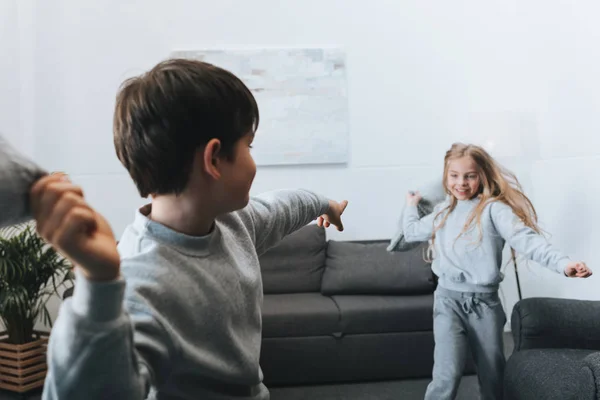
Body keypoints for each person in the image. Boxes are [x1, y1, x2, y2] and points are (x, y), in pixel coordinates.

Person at [30, 58, 349, 399]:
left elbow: (285, 206)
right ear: (213, 159)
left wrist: (325, 205)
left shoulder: (233, 221)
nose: (252, 160)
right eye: (248, 146)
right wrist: (98, 282)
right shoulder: (138, 282)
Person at [402, 142, 592, 400]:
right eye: (454, 176)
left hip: (484, 305)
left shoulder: (493, 210)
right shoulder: (442, 212)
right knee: (446, 374)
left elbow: (528, 240)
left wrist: (563, 264)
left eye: (470, 176)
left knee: (492, 373)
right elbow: (411, 232)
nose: (461, 183)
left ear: (482, 175)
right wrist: (411, 206)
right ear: (445, 177)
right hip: (447, 301)